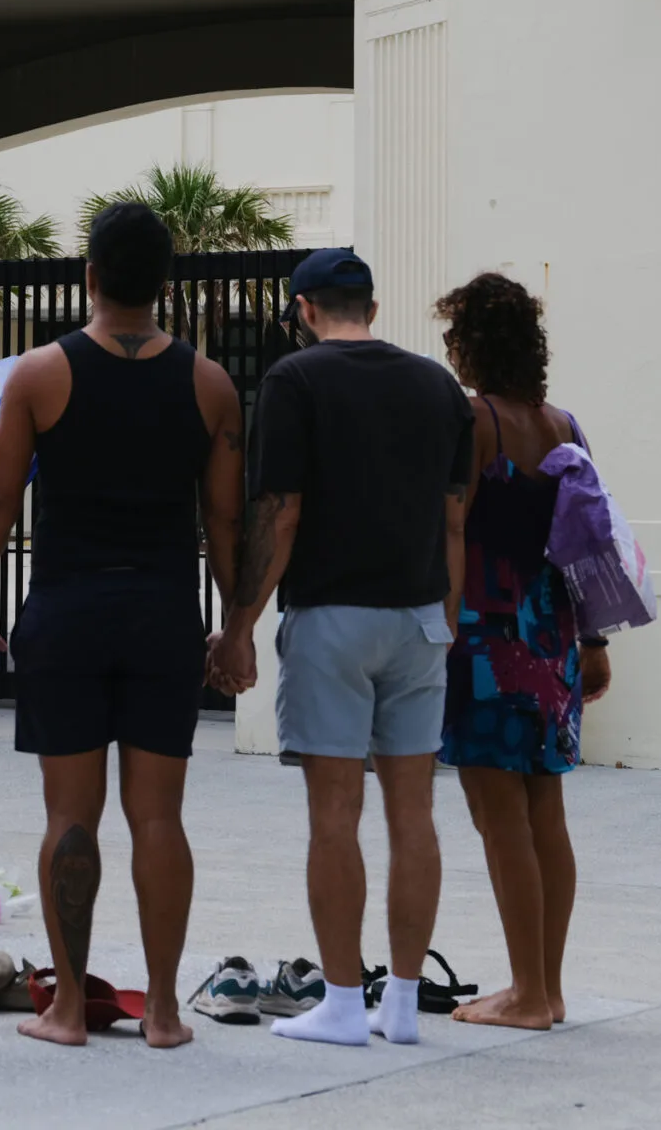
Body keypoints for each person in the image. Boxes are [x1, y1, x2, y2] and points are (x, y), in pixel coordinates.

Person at [0, 201, 244, 1051]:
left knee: (68, 816)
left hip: (68, 615)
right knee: (159, 818)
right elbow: (224, 525)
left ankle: (71, 1008)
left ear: (89, 276)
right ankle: (164, 1012)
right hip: (162, 615)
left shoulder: (39, 375)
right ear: (165, 286)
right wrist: (236, 627)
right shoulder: (210, 385)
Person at [210, 247, 476, 1048]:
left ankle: (339, 1002)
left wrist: (240, 624)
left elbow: (281, 511)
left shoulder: (295, 380)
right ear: (373, 307)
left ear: (304, 310)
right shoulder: (437, 386)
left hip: (331, 617)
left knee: (335, 815)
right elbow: (454, 520)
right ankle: (402, 1004)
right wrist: (444, 620)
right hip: (419, 616)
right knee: (414, 813)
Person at [433, 270, 613, 1032]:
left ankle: (528, 994)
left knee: (497, 813)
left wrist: (439, 631)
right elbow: (589, 543)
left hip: (485, 632)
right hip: (552, 633)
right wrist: (594, 641)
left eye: (455, 337)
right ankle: (547, 986)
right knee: (546, 810)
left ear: (474, 344)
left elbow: (451, 531)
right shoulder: (564, 426)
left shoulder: (476, 422)